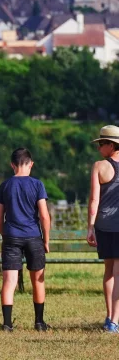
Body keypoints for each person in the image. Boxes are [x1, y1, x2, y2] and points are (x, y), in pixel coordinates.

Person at [0, 148, 51, 332]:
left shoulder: (5, 185)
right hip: (33, 236)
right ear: (31, 164)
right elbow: (44, 215)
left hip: (11, 236)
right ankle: (39, 322)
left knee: (9, 282)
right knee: (38, 280)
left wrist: (6, 235)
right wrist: (46, 240)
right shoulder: (37, 185)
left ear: (12, 165)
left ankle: (7, 324)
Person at [87, 125, 119, 333]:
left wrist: (90, 227)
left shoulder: (99, 166)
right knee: (117, 271)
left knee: (109, 271)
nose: (99, 148)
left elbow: (94, 200)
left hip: (104, 225)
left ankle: (110, 317)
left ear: (111, 145)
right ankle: (114, 321)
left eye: (101, 144)